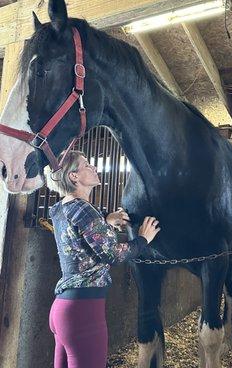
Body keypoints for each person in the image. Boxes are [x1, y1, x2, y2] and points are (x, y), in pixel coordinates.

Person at [47, 150, 160, 368]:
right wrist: (143, 239)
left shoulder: (61, 208)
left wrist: (107, 219)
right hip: (83, 312)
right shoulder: (85, 210)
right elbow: (113, 255)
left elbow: (80, 232)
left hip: (62, 309)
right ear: (74, 176)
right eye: (87, 164)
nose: (94, 167)